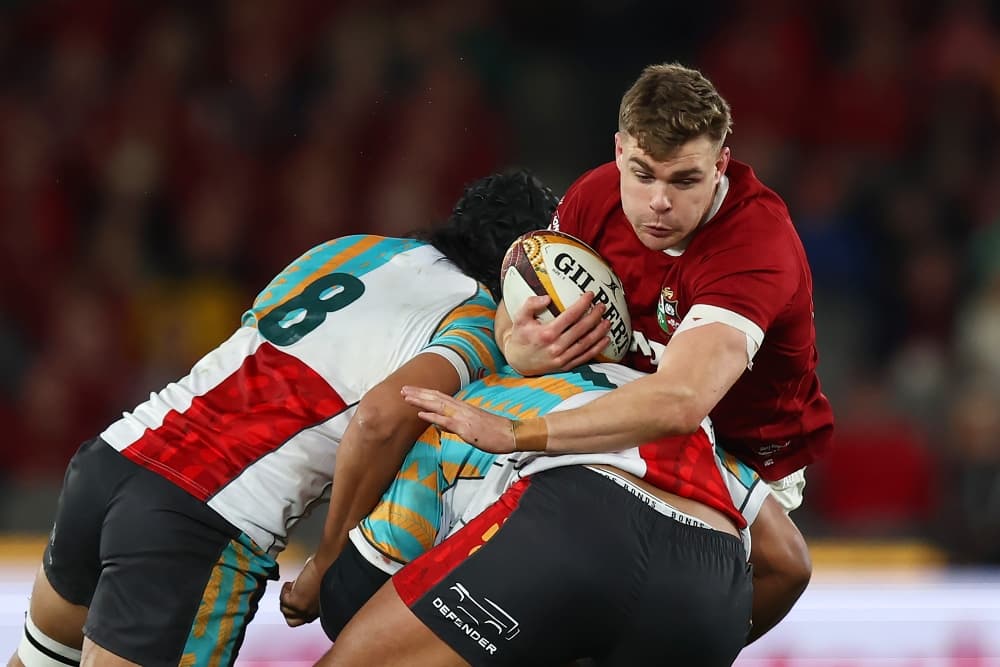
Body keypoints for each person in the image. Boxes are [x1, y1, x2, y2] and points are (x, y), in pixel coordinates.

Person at [7, 169, 560, 667]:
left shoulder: (354, 250)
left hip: (114, 459)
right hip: (200, 518)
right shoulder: (479, 320)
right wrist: (329, 558)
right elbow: (381, 418)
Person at [416, 62, 835, 512]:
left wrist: (516, 433)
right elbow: (518, 299)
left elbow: (680, 401)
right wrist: (515, 342)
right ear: (619, 152)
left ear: (720, 167)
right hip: (616, 412)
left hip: (744, 457)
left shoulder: (755, 244)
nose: (659, 202)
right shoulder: (594, 197)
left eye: (684, 180)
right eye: (643, 174)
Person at [319, 362, 810, 666]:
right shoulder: (675, 404)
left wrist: (319, 577)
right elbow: (790, 564)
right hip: (710, 588)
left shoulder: (482, 391)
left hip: (572, 529)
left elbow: (363, 582)